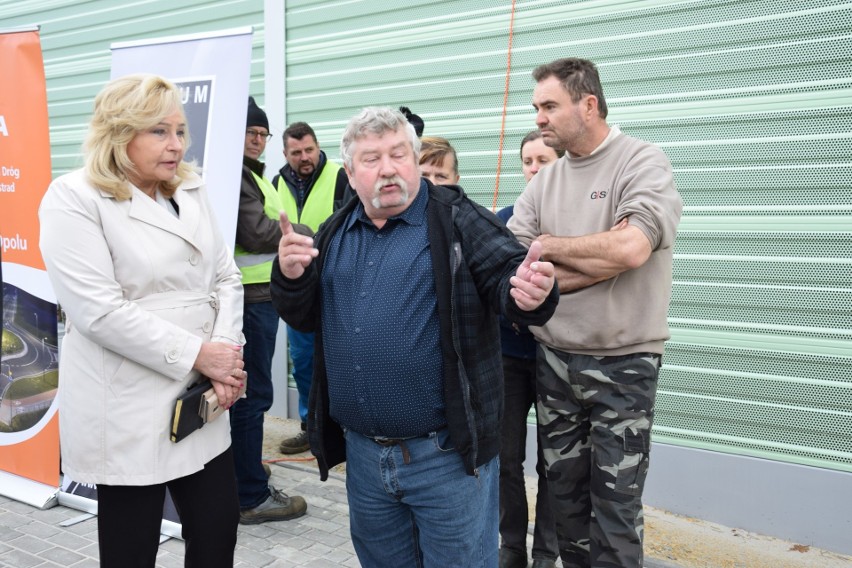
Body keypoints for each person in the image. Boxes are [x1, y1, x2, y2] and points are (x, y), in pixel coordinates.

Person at [270, 106, 559, 567]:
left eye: (398, 154)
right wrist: (288, 275)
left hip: (447, 460)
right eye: (371, 159)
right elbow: (303, 316)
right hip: (365, 461)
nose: (387, 168)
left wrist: (530, 291)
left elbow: (509, 278)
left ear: (414, 156)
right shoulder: (337, 229)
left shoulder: (459, 219)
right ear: (351, 172)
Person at [39, 74, 245, 567]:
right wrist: (202, 354)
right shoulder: (74, 199)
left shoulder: (190, 190)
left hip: (201, 395)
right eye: (159, 131)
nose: (176, 145)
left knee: (219, 529)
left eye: (180, 131)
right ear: (118, 132)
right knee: (132, 549)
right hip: (129, 403)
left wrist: (226, 355)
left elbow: (227, 278)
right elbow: (99, 312)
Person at [508, 58, 683, 568]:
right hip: (555, 362)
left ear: (588, 104)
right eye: (536, 107)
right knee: (564, 502)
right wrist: (591, 263)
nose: (539, 118)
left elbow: (630, 249)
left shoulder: (642, 163)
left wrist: (549, 247)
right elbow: (514, 268)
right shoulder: (545, 181)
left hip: (624, 363)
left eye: (549, 106)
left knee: (616, 507)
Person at [232, 97, 308, 523]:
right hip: (251, 298)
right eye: (251, 133)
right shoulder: (238, 175)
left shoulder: (253, 175)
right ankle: (250, 495)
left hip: (261, 295)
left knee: (247, 395)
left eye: (263, 134)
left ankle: (243, 471)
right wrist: (305, 233)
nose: (258, 141)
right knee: (252, 396)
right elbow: (258, 231)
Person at [496, 130, 563, 568]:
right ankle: (512, 548)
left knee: (554, 465)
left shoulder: (576, 222)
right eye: (527, 160)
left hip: (558, 359)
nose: (533, 168)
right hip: (508, 359)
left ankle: (546, 553)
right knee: (505, 460)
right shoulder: (503, 219)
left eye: (543, 159)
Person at [270, 121, 349, 455]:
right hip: (300, 286)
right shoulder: (276, 182)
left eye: (309, 150)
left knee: (342, 358)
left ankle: (346, 428)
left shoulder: (340, 176)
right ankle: (309, 426)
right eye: (296, 152)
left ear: (318, 147)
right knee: (302, 360)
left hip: (337, 282)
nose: (304, 157)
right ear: (286, 153)